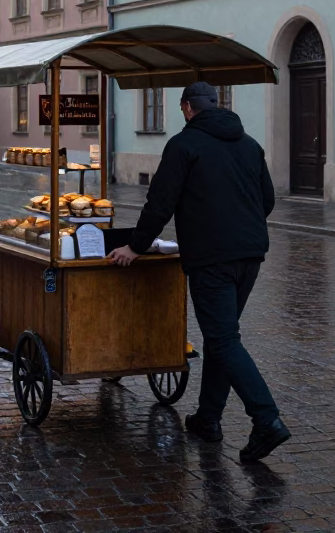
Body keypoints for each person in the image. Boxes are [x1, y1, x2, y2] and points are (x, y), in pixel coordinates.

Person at [108, 81, 289, 463]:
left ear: (187, 108)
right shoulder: (249, 144)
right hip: (250, 254)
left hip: (212, 258)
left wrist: (135, 246)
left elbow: (160, 204)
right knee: (223, 337)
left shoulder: (183, 144)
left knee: (223, 340)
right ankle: (208, 419)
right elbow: (267, 200)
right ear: (217, 105)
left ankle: (266, 419)